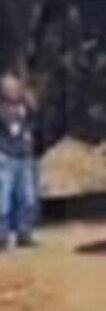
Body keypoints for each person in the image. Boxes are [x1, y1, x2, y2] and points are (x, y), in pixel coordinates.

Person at [0, 73, 39, 249]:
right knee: (3, 200)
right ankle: (2, 236)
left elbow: (35, 108)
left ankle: (24, 234)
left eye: (14, 87)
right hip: (6, 158)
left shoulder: (25, 107)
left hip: (24, 158)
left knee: (27, 198)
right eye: (8, 88)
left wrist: (26, 91)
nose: (12, 91)